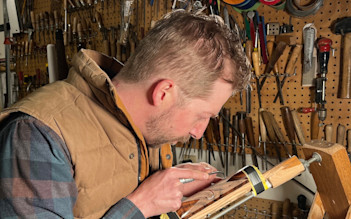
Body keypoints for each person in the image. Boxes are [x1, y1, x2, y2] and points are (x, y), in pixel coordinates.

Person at [0, 10, 251, 218]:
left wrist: (175, 189)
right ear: (163, 93)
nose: (198, 132)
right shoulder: (37, 135)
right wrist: (141, 205)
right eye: (202, 115)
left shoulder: (148, 130)